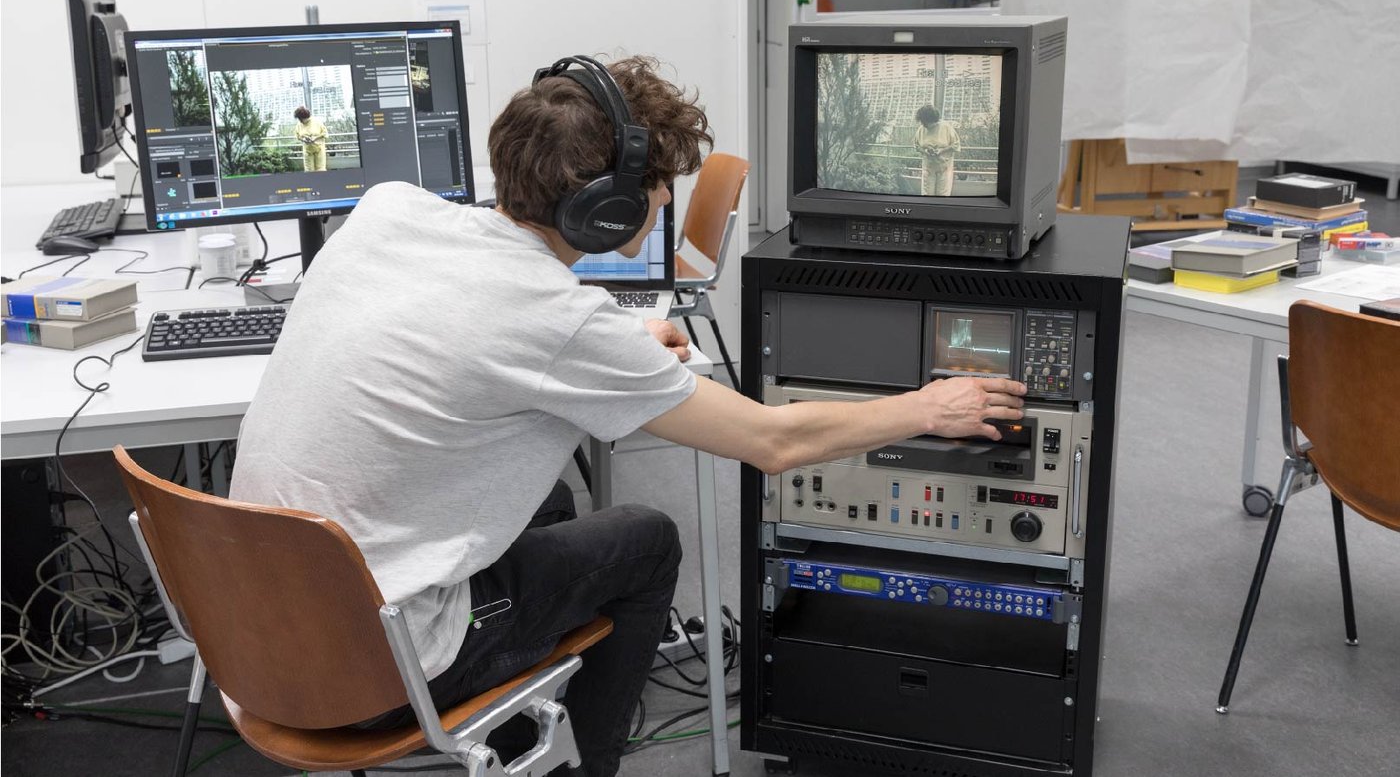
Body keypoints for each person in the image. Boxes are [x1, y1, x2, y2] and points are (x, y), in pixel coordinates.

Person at [228, 55, 1025, 777]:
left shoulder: (386, 208)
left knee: (553, 502)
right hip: (368, 674)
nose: (662, 200)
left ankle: (526, 723)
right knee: (646, 540)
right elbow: (773, 441)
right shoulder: (554, 319)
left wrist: (603, 346)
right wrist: (928, 404)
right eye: (655, 188)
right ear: (605, 210)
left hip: (248, 631)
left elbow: (475, 326)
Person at [915, 104, 960, 196]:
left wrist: (942, 150)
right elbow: (917, 146)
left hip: (944, 166)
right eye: (923, 122)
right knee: (927, 194)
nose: (924, 124)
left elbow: (956, 145)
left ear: (933, 119)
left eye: (926, 122)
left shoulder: (946, 127)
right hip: (928, 167)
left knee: (942, 194)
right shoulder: (921, 129)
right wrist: (926, 151)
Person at [293, 105, 328, 171]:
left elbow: (325, 133)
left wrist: (315, 138)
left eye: (301, 119)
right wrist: (303, 139)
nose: (301, 121)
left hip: (319, 149)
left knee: (321, 169)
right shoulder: (299, 125)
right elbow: (298, 136)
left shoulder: (317, 122)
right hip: (307, 150)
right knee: (309, 170)